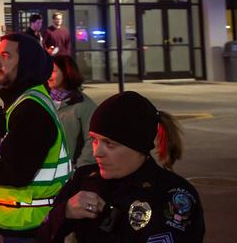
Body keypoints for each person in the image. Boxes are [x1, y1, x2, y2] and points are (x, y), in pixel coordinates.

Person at [38, 91, 203, 242]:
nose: (97, 152)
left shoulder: (173, 194)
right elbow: (42, 236)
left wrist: (113, 220)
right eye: (95, 140)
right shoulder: (84, 178)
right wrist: (64, 213)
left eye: (110, 144)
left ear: (138, 147)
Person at [0, 32, 71, 242]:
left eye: (6, 55)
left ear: (26, 63)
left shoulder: (31, 109)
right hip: (27, 223)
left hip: (32, 227)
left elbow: (15, 172)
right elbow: (10, 154)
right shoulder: (22, 103)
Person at [49, 54, 97, 168]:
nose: (48, 75)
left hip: (70, 171)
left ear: (66, 72)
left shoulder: (84, 105)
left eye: (54, 71)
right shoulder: (41, 100)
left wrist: (78, 168)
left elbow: (92, 142)